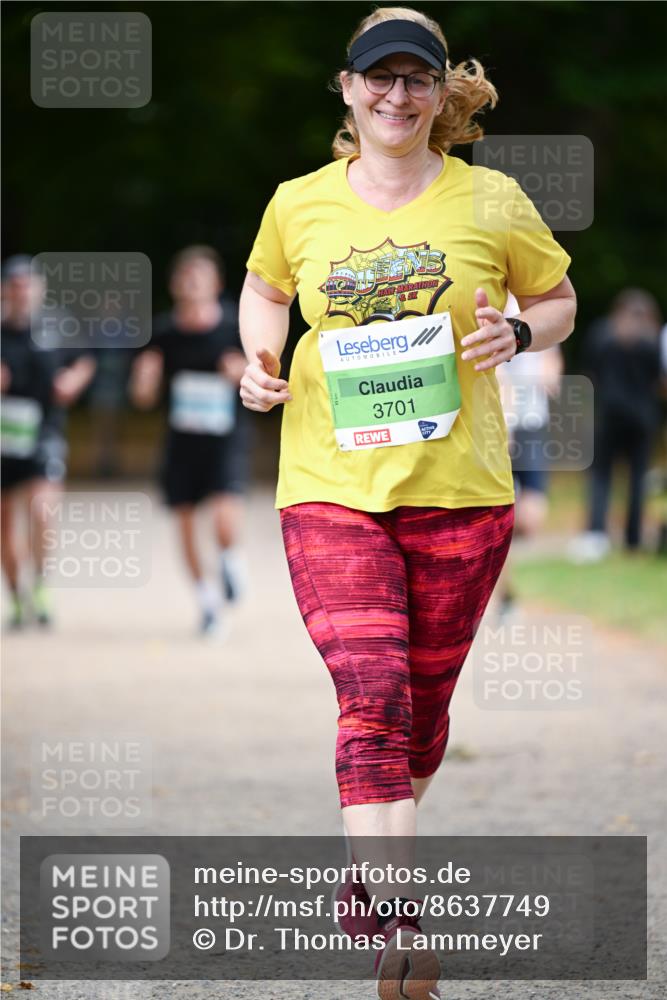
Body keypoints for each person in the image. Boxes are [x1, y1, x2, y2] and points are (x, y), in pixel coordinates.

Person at [240, 8, 576, 997]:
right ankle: (394, 918)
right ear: (346, 91)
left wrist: (516, 334)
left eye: (415, 79)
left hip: (461, 494)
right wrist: (257, 361)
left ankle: (372, 880)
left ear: (438, 95)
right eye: (376, 78)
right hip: (330, 488)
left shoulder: (493, 200)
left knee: (422, 715)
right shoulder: (298, 203)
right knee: (372, 694)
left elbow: (558, 299)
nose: (396, 95)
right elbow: (264, 290)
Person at [129, 246, 250, 636]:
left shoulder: (234, 326)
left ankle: (230, 561)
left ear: (216, 283)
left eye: (200, 276)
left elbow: (257, 376)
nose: (192, 283)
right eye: (185, 277)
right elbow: (143, 399)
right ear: (175, 285)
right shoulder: (164, 333)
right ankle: (207, 602)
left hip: (224, 438)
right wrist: (145, 380)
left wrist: (241, 373)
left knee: (222, 518)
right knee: (183, 524)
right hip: (182, 442)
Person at [1, 255, 95, 628]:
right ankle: (16, 599)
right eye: (15, 285)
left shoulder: (58, 328)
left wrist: (73, 380)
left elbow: (85, 360)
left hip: (44, 432)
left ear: (39, 290)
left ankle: (40, 585)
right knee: (7, 523)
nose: (22, 292)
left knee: (43, 510)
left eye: (28, 285)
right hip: (5, 438)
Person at [569, 287, 662, 561]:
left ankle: (596, 533)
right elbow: (658, 380)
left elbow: (590, 371)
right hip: (643, 417)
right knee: (637, 478)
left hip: (608, 414)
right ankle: (632, 538)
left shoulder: (602, 334)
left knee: (600, 476)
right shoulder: (652, 339)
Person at [495, 293, 564, 620]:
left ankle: (498, 561)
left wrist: (552, 372)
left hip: (532, 421)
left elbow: (553, 352)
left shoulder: (540, 303)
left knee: (531, 517)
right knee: (502, 516)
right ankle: (506, 595)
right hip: (497, 423)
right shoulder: (491, 302)